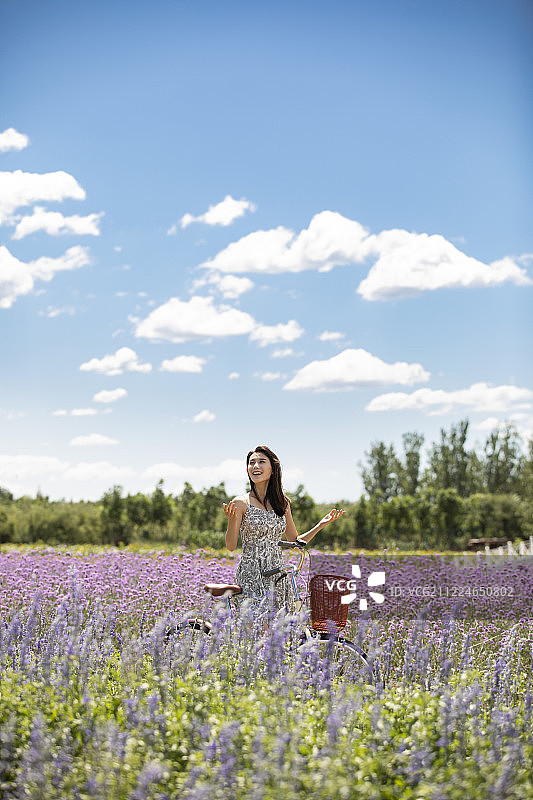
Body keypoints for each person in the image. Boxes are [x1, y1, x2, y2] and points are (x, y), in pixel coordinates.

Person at [223, 445, 344, 613]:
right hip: (252, 575)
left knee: (281, 631)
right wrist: (231, 521)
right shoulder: (241, 503)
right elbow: (230, 546)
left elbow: (295, 540)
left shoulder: (282, 503)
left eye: (261, 462)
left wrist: (320, 524)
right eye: (252, 463)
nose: (255, 466)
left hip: (278, 574)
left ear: (272, 469)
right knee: (259, 630)